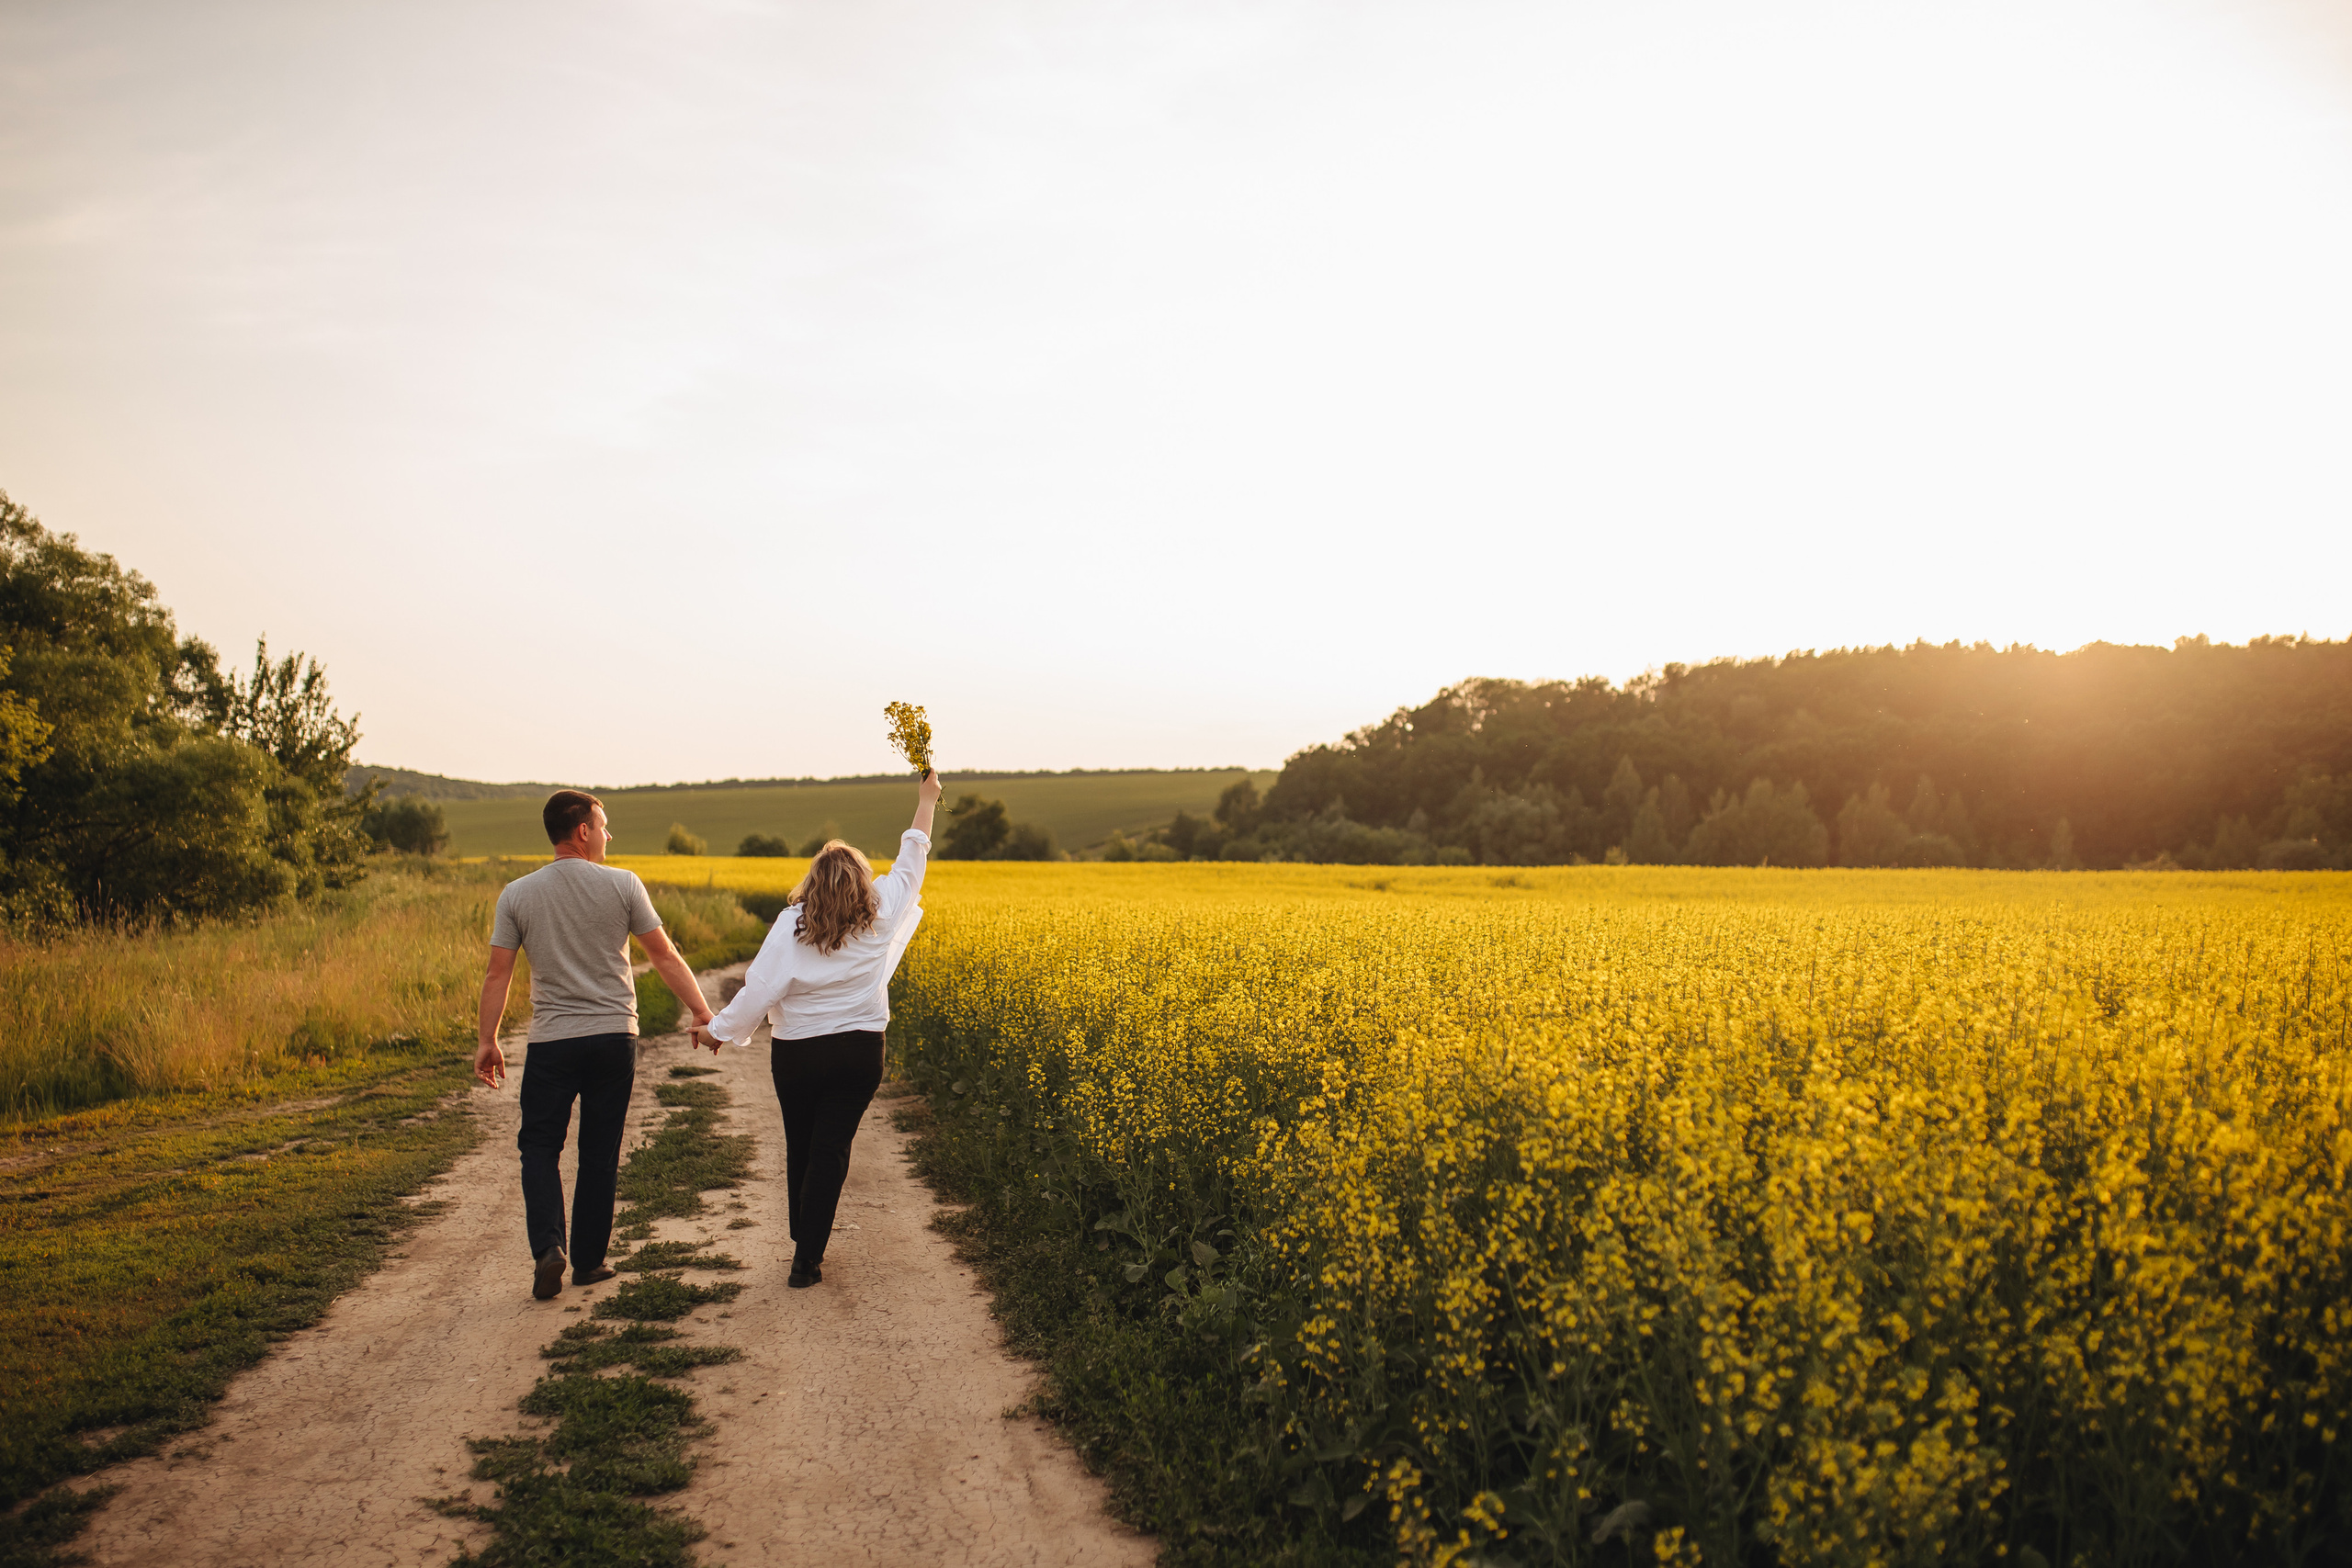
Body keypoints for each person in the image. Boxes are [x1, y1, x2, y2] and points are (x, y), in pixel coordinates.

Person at [692, 768, 941, 1287]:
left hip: (799, 1054)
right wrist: (927, 797)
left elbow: (759, 989)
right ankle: (806, 1255)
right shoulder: (883, 911)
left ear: (812, 882)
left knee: (801, 1141)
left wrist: (717, 1030)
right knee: (831, 1149)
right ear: (861, 880)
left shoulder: (793, 924)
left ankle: (802, 1236)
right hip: (858, 1053)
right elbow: (914, 853)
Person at [477, 789, 715, 1301]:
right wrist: (700, 1010)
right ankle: (587, 1262)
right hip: (613, 1037)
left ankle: (548, 1249)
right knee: (598, 1151)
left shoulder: (517, 894)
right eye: (603, 825)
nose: (609, 835)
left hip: (552, 1042)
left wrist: (488, 1040)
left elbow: (499, 973)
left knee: (539, 1146)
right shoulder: (624, 885)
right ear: (581, 831)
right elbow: (665, 956)